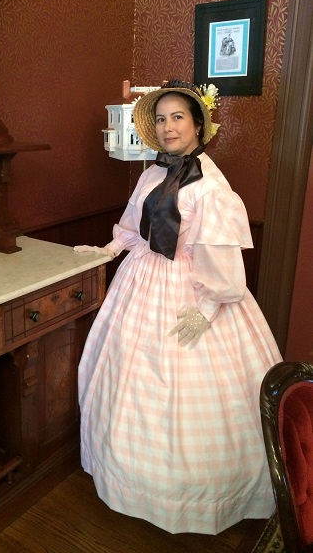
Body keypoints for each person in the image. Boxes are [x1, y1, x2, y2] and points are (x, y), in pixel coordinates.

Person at [73, 79, 282, 535]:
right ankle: (129, 478)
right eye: (162, 119)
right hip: (142, 279)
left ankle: (195, 499)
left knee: (189, 388)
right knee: (127, 376)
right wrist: (108, 251)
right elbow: (134, 227)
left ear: (198, 125)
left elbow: (221, 262)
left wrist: (207, 309)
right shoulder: (151, 174)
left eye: (178, 118)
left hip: (192, 287)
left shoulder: (211, 187)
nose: (169, 128)